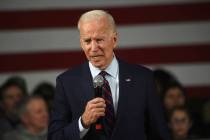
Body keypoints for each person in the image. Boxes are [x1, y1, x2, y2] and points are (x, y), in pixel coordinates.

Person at [48, 10, 171, 140]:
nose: (93, 48)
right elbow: (55, 137)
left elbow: (159, 134)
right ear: (81, 44)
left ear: (114, 40)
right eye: (87, 41)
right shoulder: (66, 82)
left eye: (99, 40)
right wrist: (83, 122)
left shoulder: (143, 78)